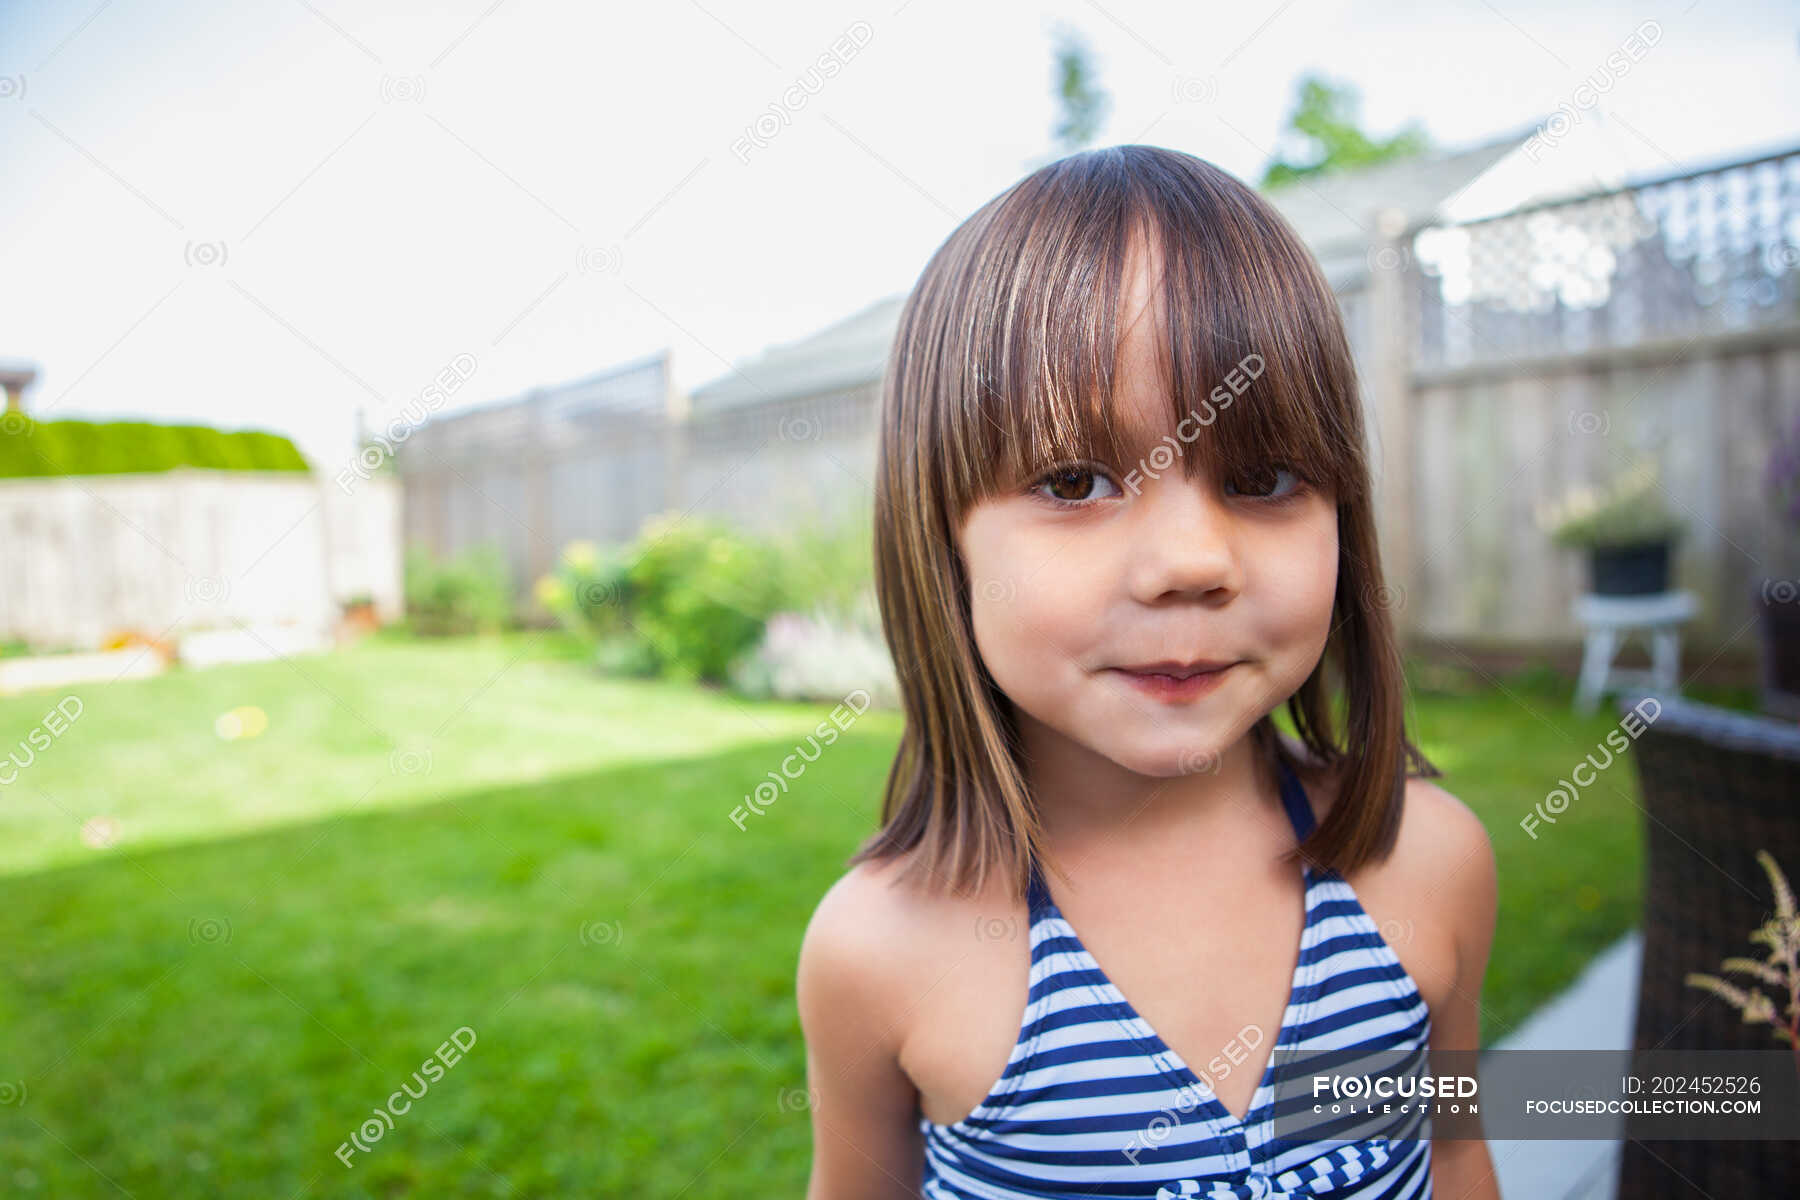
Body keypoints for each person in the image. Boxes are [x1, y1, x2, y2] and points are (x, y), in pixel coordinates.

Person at [796, 144, 1499, 1199]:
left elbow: (1453, 1149)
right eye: (1074, 480)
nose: (1192, 563)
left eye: (1263, 477)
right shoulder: (881, 951)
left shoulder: (1427, 862)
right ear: (940, 540)